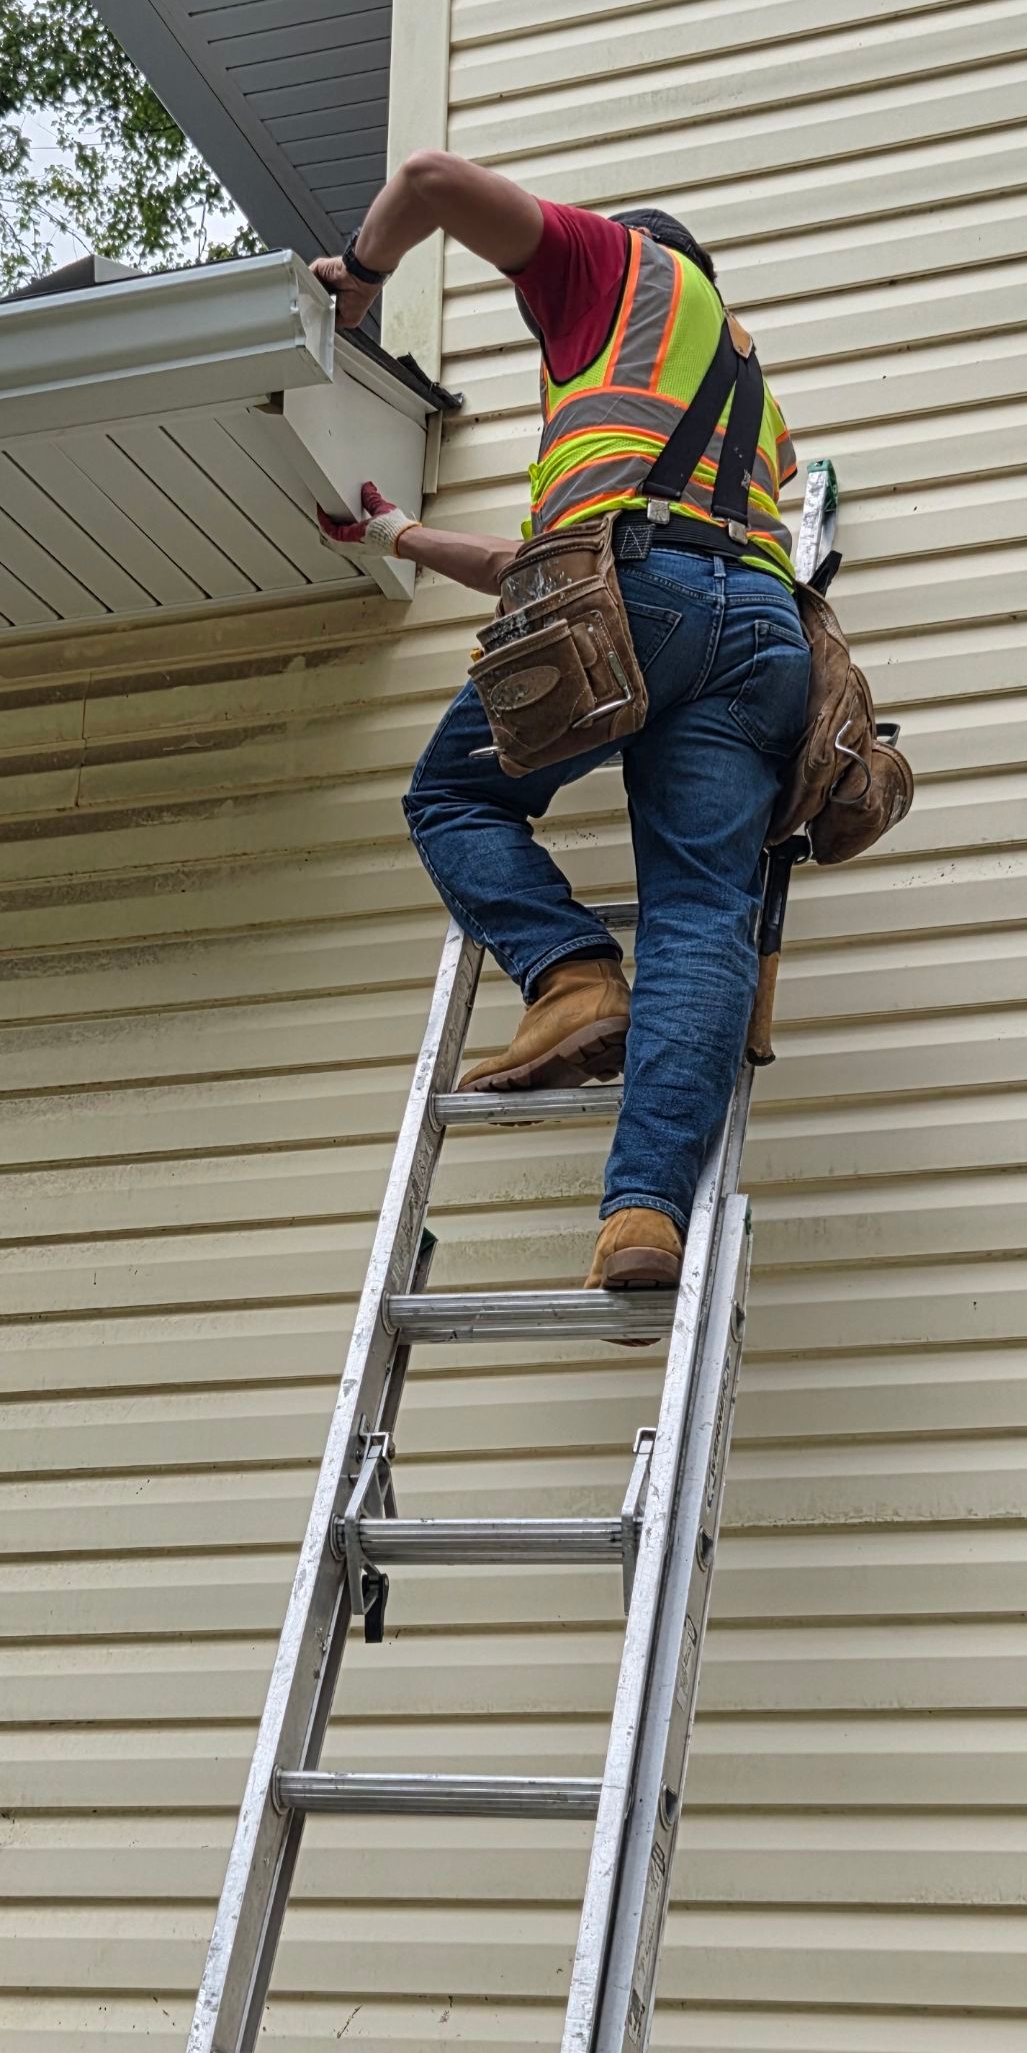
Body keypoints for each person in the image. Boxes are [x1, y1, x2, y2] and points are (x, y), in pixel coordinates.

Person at [314, 150, 809, 1294]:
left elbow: (428, 180)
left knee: (452, 796)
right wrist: (399, 538)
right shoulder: (744, 392)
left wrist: (362, 278)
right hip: (757, 632)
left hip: (641, 600)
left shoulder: (610, 270)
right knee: (701, 914)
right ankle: (642, 1219)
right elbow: (553, 563)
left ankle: (575, 976)